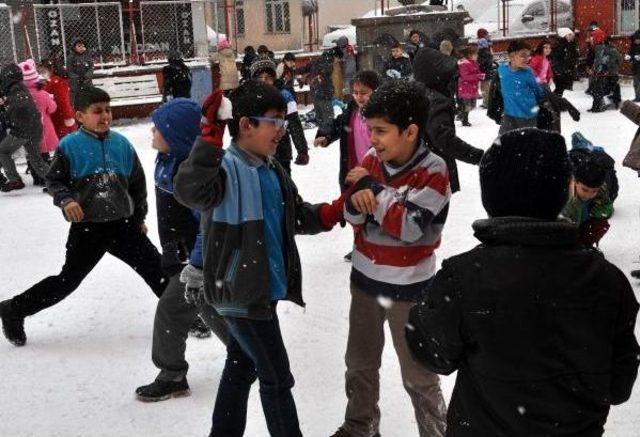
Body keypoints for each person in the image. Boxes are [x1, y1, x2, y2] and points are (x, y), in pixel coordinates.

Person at [407, 127, 640, 437]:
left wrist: (423, 307)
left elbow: (431, 351)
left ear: (491, 196)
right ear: (560, 194)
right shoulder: (607, 282)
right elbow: (619, 384)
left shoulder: (466, 277)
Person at [173, 80, 345, 437]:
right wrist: (208, 138)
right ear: (246, 124)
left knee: (242, 366)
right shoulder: (223, 170)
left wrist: (332, 212)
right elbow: (189, 190)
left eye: (284, 122)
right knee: (277, 378)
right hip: (239, 291)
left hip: (260, 288)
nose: (282, 131)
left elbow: (295, 216)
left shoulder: (271, 169)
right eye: (274, 122)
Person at [0, 86, 168, 347]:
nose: (105, 116)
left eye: (108, 110)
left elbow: (137, 186)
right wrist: (66, 200)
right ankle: (13, 309)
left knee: (156, 270)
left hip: (123, 226)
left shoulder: (122, 145)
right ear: (79, 116)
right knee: (66, 281)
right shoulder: (70, 146)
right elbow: (54, 181)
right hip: (88, 229)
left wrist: (139, 217)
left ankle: (185, 316)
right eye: (97, 111)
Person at [329, 79, 449, 437]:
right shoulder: (370, 161)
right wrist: (358, 201)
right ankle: (360, 426)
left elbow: (411, 227)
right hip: (365, 283)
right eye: (370, 130)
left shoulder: (434, 170)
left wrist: (373, 192)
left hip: (411, 289)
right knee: (360, 363)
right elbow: (353, 216)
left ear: (410, 131)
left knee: (418, 373)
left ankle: (435, 431)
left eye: (381, 131)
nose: (373, 139)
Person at [135, 98, 229, 402]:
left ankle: (173, 374)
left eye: (159, 127)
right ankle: (250, 354)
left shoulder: (193, 175)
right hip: (183, 255)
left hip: (201, 259)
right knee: (207, 308)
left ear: (176, 136)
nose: (152, 130)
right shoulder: (168, 161)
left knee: (175, 309)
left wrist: (197, 265)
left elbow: (208, 223)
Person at [413, 46, 484, 193]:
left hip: (417, 167)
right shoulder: (435, 100)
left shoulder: (417, 91)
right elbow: (442, 138)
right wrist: (478, 156)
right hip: (434, 169)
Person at [314, 70, 380, 191]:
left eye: (364, 93)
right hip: (354, 172)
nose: (359, 96)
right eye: (355, 93)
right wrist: (326, 135)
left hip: (377, 174)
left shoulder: (383, 116)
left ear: (375, 92)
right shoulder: (352, 110)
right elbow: (339, 123)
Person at [250, 57, 309, 170]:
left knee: (283, 185)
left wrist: (302, 150)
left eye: (267, 78)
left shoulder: (284, 95)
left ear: (273, 78)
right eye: (259, 78)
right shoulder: (250, 98)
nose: (263, 81)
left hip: (280, 151)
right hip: (256, 153)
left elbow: (294, 123)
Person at [0, 63, 49, 192]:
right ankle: (55, 181)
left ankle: (15, 180)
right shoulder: (20, 88)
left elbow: (19, 107)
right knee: (36, 158)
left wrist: (6, 110)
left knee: (3, 151)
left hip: (22, 130)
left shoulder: (15, 90)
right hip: (33, 128)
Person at [562, 137, 616, 248]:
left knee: (600, 223)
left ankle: (585, 245)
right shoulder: (566, 197)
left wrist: (598, 212)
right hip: (568, 223)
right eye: (585, 190)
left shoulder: (601, 189)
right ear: (575, 182)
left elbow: (608, 209)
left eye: (594, 191)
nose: (588, 195)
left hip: (584, 219)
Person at [491, 40, 545, 134]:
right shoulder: (502, 70)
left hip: (528, 115)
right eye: (523, 55)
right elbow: (496, 90)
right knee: (503, 142)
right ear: (511, 56)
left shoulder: (528, 72)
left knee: (525, 144)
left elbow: (538, 91)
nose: (527, 58)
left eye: (528, 55)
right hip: (509, 115)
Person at [18, 58, 58, 187]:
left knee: (32, 153)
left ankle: (36, 176)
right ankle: (45, 177)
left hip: (28, 127)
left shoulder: (21, 94)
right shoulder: (42, 93)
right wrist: (51, 100)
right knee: (44, 154)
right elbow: (52, 108)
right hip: (44, 126)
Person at [298, 49, 335, 135]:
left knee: (319, 115)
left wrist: (295, 70)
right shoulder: (327, 64)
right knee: (328, 116)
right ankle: (327, 134)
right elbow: (327, 74)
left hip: (315, 92)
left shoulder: (315, 62)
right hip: (324, 93)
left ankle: (322, 132)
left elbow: (304, 69)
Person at [40, 56, 77, 139]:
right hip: (57, 117)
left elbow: (63, 100)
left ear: (51, 69)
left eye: (43, 71)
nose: (42, 74)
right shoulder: (52, 81)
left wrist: (68, 117)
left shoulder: (56, 82)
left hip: (62, 119)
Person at [590, 37, 622, 112]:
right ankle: (615, 104)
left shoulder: (600, 50)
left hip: (601, 73)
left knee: (601, 89)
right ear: (610, 42)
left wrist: (594, 69)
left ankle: (599, 105)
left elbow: (597, 61)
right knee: (614, 88)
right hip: (612, 73)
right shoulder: (614, 50)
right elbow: (620, 61)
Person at [457, 44, 485, 127]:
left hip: (472, 87)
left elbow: (476, 72)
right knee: (467, 106)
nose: (477, 56)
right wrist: (478, 76)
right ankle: (464, 119)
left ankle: (462, 115)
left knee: (472, 106)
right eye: (476, 54)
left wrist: (480, 75)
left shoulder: (474, 63)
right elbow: (465, 77)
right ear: (470, 55)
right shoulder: (464, 64)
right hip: (466, 87)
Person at [66, 37, 94, 107]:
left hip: (87, 82)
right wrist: (76, 78)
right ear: (74, 47)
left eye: (83, 46)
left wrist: (87, 76)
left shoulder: (87, 56)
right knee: (75, 95)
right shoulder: (70, 57)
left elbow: (91, 67)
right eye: (79, 46)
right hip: (75, 83)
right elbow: (70, 70)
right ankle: (75, 108)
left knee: (89, 93)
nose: (81, 47)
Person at [551, 28, 579, 96]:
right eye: (569, 35)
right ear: (564, 35)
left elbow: (574, 56)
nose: (571, 36)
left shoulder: (570, 44)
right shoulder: (559, 45)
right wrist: (560, 70)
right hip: (561, 71)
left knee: (561, 89)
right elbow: (556, 59)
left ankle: (557, 101)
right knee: (560, 89)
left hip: (566, 71)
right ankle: (555, 102)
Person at [476, 28, 494, 108]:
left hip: (485, 72)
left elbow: (483, 62)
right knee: (484, 88)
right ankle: (486, 102)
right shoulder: (487, 50)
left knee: (485, 88)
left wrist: (478, 64)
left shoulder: (484, 52)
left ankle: (487, 103)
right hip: (486, 71)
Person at [627, 30, 640, 102]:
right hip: (635, 68)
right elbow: (630, 55)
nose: (637, 41)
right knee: (636, 84)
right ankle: (637, 97)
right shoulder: (633, 47)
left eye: (638, 39)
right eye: (636, 39)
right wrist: (629, 57)